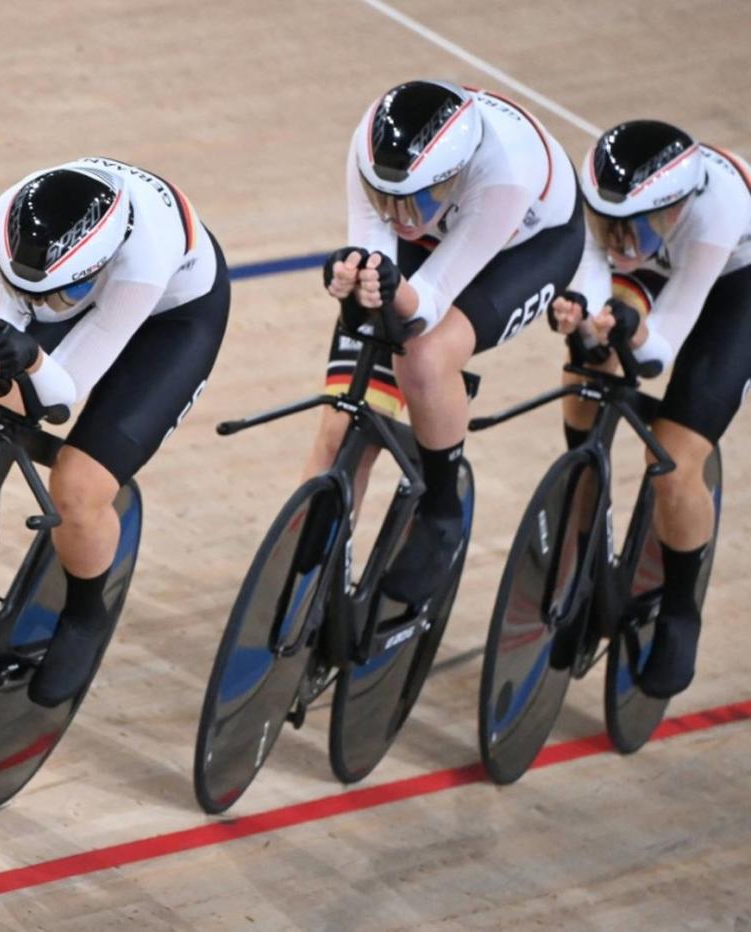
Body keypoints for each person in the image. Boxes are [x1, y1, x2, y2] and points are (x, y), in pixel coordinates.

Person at [0, 157, 230, 707]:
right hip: (70, 282)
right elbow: (2, 343)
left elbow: (61, 396)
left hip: (172, 320)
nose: (43, 310)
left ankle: (85, 612)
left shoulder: (143, 257)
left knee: (78, 484)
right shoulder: (4, 218)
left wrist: (30, 356)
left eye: (53, 301)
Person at [307, 79, 586, 606]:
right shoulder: (371, 150)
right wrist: (351, 277)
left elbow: (429, 302)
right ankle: (301, 582)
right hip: (445, 223)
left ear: (452, 175)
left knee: (427, 357)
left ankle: (441, 509)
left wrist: (393, 291)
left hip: (524, 246)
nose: (396, 216)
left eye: (412, 200)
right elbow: (375, 247)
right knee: (341, 424)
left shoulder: (505, 174)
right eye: (384, 197)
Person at [549, 120, 751, 698]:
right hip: (653, 278)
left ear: (678, 207)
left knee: (673, 462)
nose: (621, 239)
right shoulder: (599, 204)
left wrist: (633, 335)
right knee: (584, 375)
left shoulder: (717, 211)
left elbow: (662, 349)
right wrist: (584, 322)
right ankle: (586, 545)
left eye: (639, 226)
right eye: (610, 224)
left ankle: (681, 611)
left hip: (733, 287)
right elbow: (592, 286)